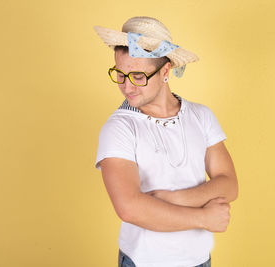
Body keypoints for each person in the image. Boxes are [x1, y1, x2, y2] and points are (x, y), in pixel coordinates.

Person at [93, 16, 238, 267]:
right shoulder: (119, 128)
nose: (127, 87)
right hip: (144, 261)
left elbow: (229, 184)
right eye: (120, 74)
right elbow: (130, 209)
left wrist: (169, 199)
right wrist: (204, 217)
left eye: (138, 76)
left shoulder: (201, 116)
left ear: (166, 72)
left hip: (200, 261)